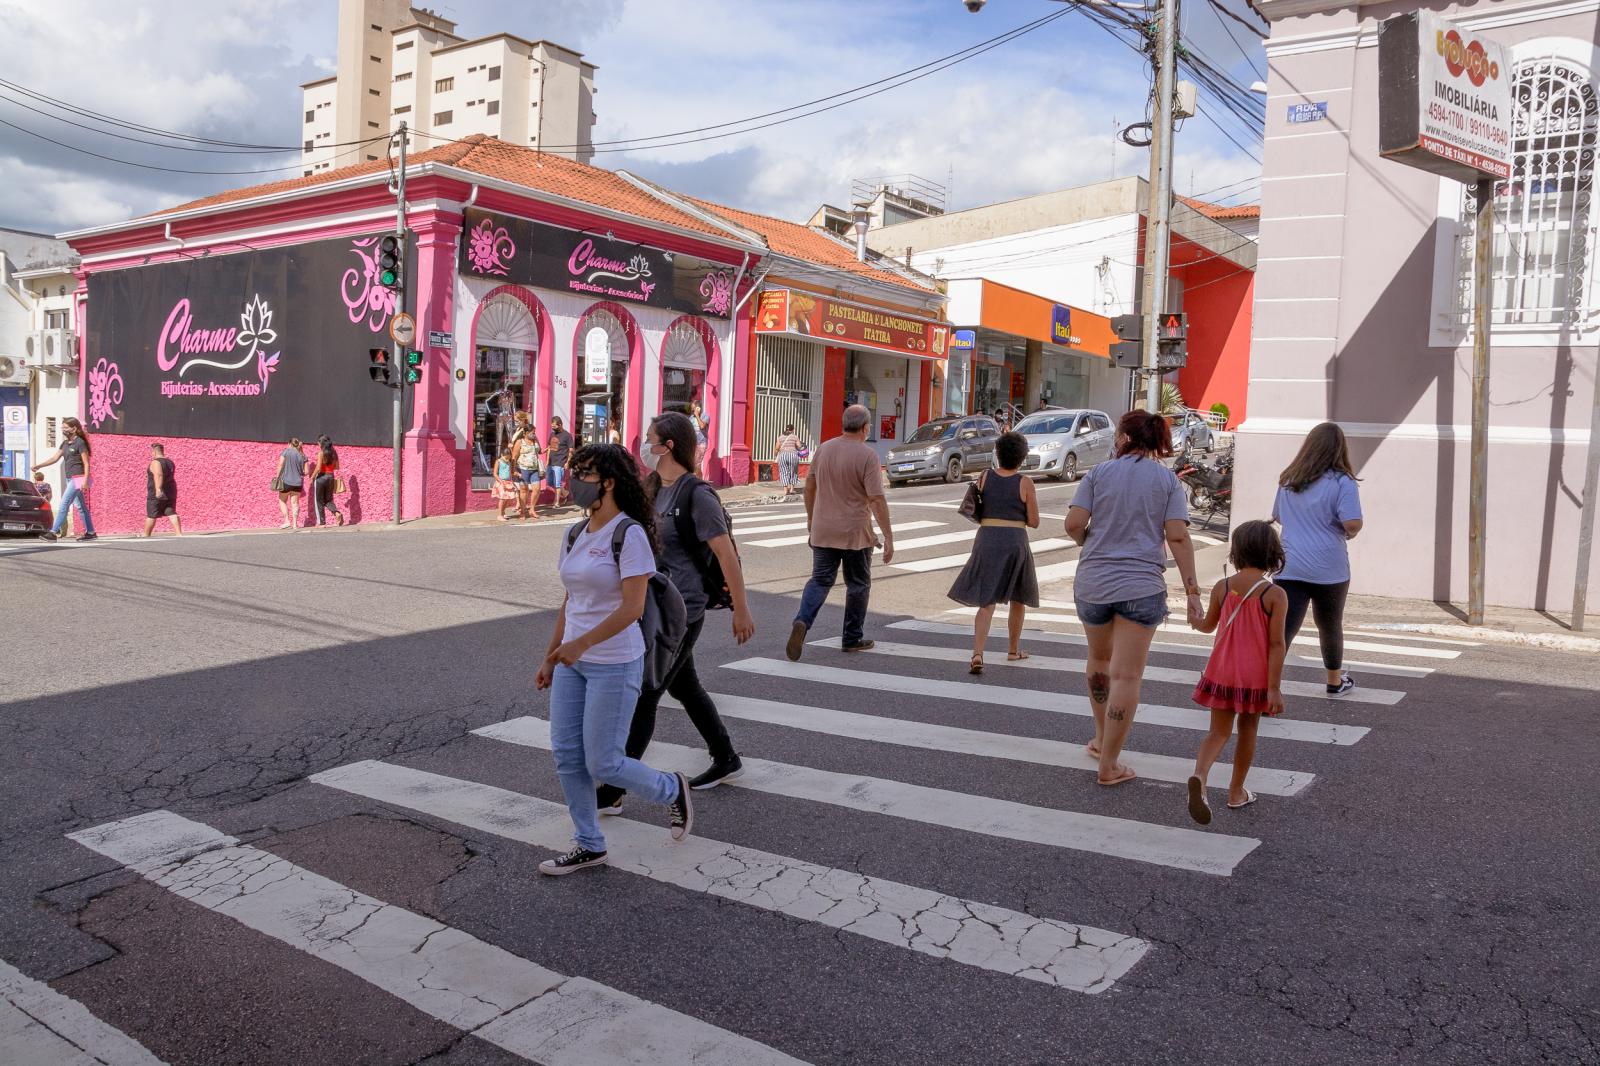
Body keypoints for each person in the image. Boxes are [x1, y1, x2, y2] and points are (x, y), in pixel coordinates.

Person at [535, 442, 695, 875]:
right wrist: (552, 656)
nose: (573, 483)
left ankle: (670, 789)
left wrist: (581, 645)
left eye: (582, 475)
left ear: (608, 482)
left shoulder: (630, 535)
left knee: (603, 761)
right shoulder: (574, 533)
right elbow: (570, 601)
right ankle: (589, 843)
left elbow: (632, 609)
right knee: (567, 756)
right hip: (573, 662)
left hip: (614, 661)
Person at [596, 413, 755, 814]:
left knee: (648, 691)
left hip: (682, 609)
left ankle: (614, 789)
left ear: (668, 445)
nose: (644, 445)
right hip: (653, 602)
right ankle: (726, 756)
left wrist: (741, 609)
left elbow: (726, 554)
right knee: (683, 686)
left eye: (650, 439)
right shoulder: (651, 487)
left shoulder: (696, 494)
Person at [1064, 410, 1203, 787]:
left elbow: (1074, 524)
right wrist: (1192, 592)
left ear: (1124, 437)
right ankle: (1109, 764)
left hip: (1093, 582)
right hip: (1141, 586)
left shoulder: (1098, 474)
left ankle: (1099, 738)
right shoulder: (1167, 481)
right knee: (1127, 674)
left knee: (1098, 660)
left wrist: (1088, 542)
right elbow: (1177, 536)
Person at [1186, 520, 1289, 822]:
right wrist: (1274, 687)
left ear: (1237, 552)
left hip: (1221, 672)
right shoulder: (1274, 595)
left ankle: (1200, 777)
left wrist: (1194, 618)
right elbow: (1276, 645)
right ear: (1272, 553)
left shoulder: (1223, 586)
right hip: (1253, 676)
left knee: (1217, 732)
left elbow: (1206, 627)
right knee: (1247, 730)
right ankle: (1236, 791)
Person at [785, 403, 894, 660]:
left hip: (823, 529)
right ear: (866, 427)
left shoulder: (824, 449)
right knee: (857, 584)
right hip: (854, 532)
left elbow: (809, 488)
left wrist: (812, 521)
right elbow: (876, 499)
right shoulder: (868, 456)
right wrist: (888, 536)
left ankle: (802, 621)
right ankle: (852, 637)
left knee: (820, 580)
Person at [1273, 422, 1364, 696]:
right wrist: (1344, 529)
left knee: (1284, 629)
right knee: (1329, 624)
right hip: (1329, 566)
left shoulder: (1288, 479)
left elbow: (1277, 516)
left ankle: (1269, 687)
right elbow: (1352, 523)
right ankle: (1334, 682)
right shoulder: (1343, 482)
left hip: (1290, 564)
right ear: (1339, 448)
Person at [948, 431, 1040, 675]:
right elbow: (1034, 521)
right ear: (1021, 457)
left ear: (997, 455)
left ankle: (978, 653)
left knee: (986, 600)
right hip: (1014, 540)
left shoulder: (985, 476)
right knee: (1018, 597)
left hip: (987, 538)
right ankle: (1013, 650)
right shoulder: (1025, 482)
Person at [34, 416, 95, 542]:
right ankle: (91, 532)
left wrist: (85, 481)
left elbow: (86, 463)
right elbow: (54, 458)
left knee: (64, 503)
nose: (63, 429)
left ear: (74, 428)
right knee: (81, 507)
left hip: (78, 478)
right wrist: (39, 465)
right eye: (62, 427)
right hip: (69, 478)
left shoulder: (80, 443)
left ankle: (53, 532)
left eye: (66, 427)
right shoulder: (65, 443)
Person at [142, 443, 182, 537]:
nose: (151, 454)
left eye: (151, 452)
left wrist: (158, 489)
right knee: (171, 512)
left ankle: (146, 535)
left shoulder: (156, 462)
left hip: (157, 492)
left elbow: (159, 475)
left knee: (151, 514)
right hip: (170, 491)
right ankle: (179, 533)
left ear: (154, 451)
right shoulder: (170, 462)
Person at [512, 415, 542, 520]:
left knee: (537, 489)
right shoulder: (520, 442)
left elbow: (540, 451)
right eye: (531, 433)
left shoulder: (535, 440)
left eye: (534, 432)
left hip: (534, 469)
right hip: (522, 468)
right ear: (525, 433)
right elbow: (514, 457)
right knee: (523, 490)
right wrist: (514, 470)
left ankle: (532, 509)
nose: (533, 434)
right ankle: (523, 511)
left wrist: (548, 448)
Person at [310, 436, 344, 527]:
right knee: (328, 500)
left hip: (321, 477)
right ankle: (336, 513)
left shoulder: (321, 453)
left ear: (321, 443)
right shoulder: (334, 453)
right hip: (331, 476)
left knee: (319, 501)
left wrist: (312, 478)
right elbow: (337, 467)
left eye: (318, 443)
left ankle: (321, 522)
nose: (317, 444)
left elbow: (317, 468)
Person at [275, 437, 305, 529]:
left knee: (282, 500)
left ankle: (287, 520)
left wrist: (277, 477)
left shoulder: (286, 451)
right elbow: (303, 471)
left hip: (286, 481)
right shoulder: (301, 455)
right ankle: (295, 524)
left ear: (290, 444)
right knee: (295, 503)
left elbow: (280, 464)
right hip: (297, 483)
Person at [545, 416, 574, 508]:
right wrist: (546, 460)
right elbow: (549, 448)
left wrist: (568, 462)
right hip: (551, 462)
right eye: (552, 426)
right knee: (549, 482)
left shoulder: (567, 435)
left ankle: (556, 502)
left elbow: (571, 450)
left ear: (560, 425)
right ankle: (565, 493)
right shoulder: (552, 434)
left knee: (557, 483)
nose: (553, 428)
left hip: (560, 462)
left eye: (554, 426)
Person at [774, 424, 804, 497]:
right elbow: (799, 446)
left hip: (783, 456)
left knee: (783, 472)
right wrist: (801, 446)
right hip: (793, 455)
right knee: (793, 472)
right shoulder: (795, 437)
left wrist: (775, 455)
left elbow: (777, 448)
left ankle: (785, 490)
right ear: (793, 430)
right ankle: (791, 489)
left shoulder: (780, 437)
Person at [492, 446, 518, 520]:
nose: (507, 459)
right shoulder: (498, 461)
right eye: (506, 457)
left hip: (508, 482)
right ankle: (500, 515)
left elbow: (510, 473)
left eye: (508, 457)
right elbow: (495, 473)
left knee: (508, 499)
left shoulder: (509, 462)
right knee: (502, 498)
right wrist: (501, 482)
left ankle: (503, 512)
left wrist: (512, 481)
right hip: (500, 482)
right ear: (502, 455)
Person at [690, 401, 710, 476]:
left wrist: (697, 416)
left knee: (696, 464)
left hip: (701, 443)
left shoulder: (705, 416)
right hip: (692, 443)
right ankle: (700, 484)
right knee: (694, 465)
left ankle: (697, 484)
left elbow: (702, 426)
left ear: (698, 408)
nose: (692, 409)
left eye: (693, 408)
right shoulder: (691, 417)